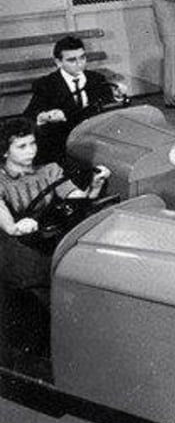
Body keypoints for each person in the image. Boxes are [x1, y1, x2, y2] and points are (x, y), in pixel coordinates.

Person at [0, 117, 110, 303]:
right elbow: (6, 220)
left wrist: (95, 187)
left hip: (45, 237)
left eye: (33, 143)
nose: (31, 151)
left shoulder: (49, 171)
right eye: (22, 146)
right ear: (5, 152)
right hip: (14, 245)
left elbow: (76, 199)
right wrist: (14, 227)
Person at [23, 35, 124, 166]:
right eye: (72, 60)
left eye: (82, 58)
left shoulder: (97, 79)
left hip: (94, 137)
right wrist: (45, 116)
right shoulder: (46, 84)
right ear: (58, 62)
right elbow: (28, 116)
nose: (79, 64)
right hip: (62, 142)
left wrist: (117, 96)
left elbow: (108, 109)